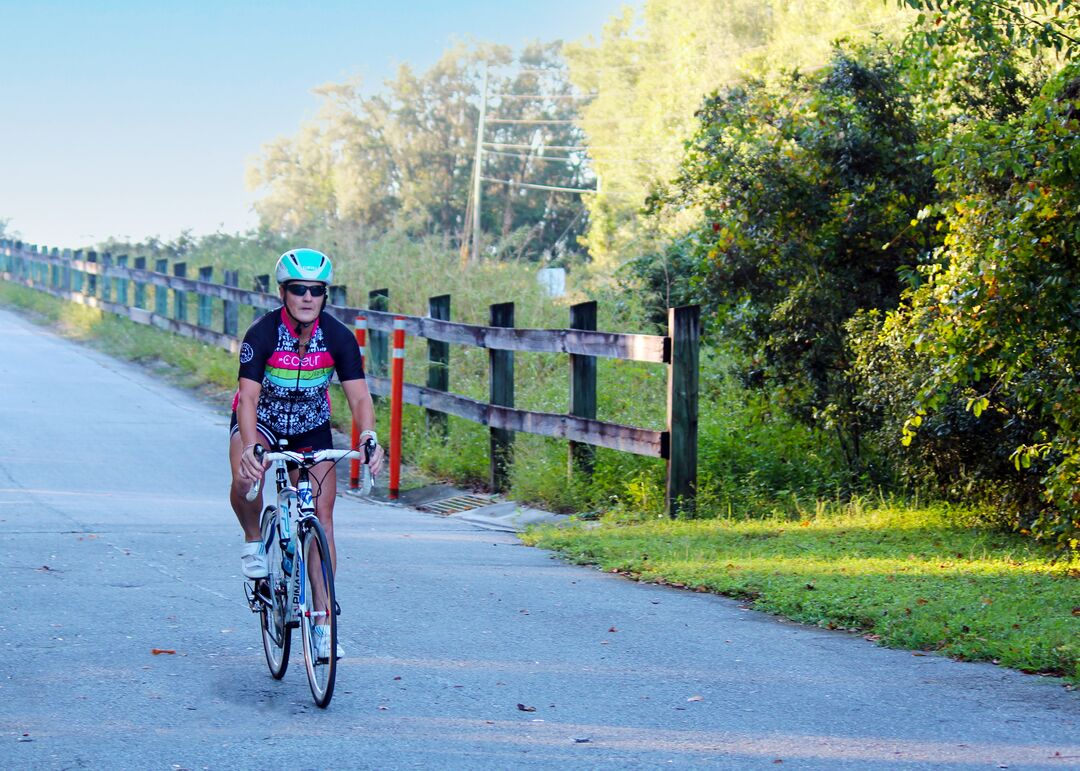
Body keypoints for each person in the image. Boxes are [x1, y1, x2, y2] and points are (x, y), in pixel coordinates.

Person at [228, 248, 383, 660]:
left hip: (310, 427)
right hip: (262, 421)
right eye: (299, 289)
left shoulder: (337, 337)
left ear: (325, 294)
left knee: (322, 519)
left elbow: (360, 396)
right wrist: (250, 447)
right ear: (283, 292)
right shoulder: (261, 335)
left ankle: (322, 622)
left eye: (317, 290)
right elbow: (246, 399)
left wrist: (368, 434)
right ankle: (254, 540)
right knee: (246, 479)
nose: (308, 297)